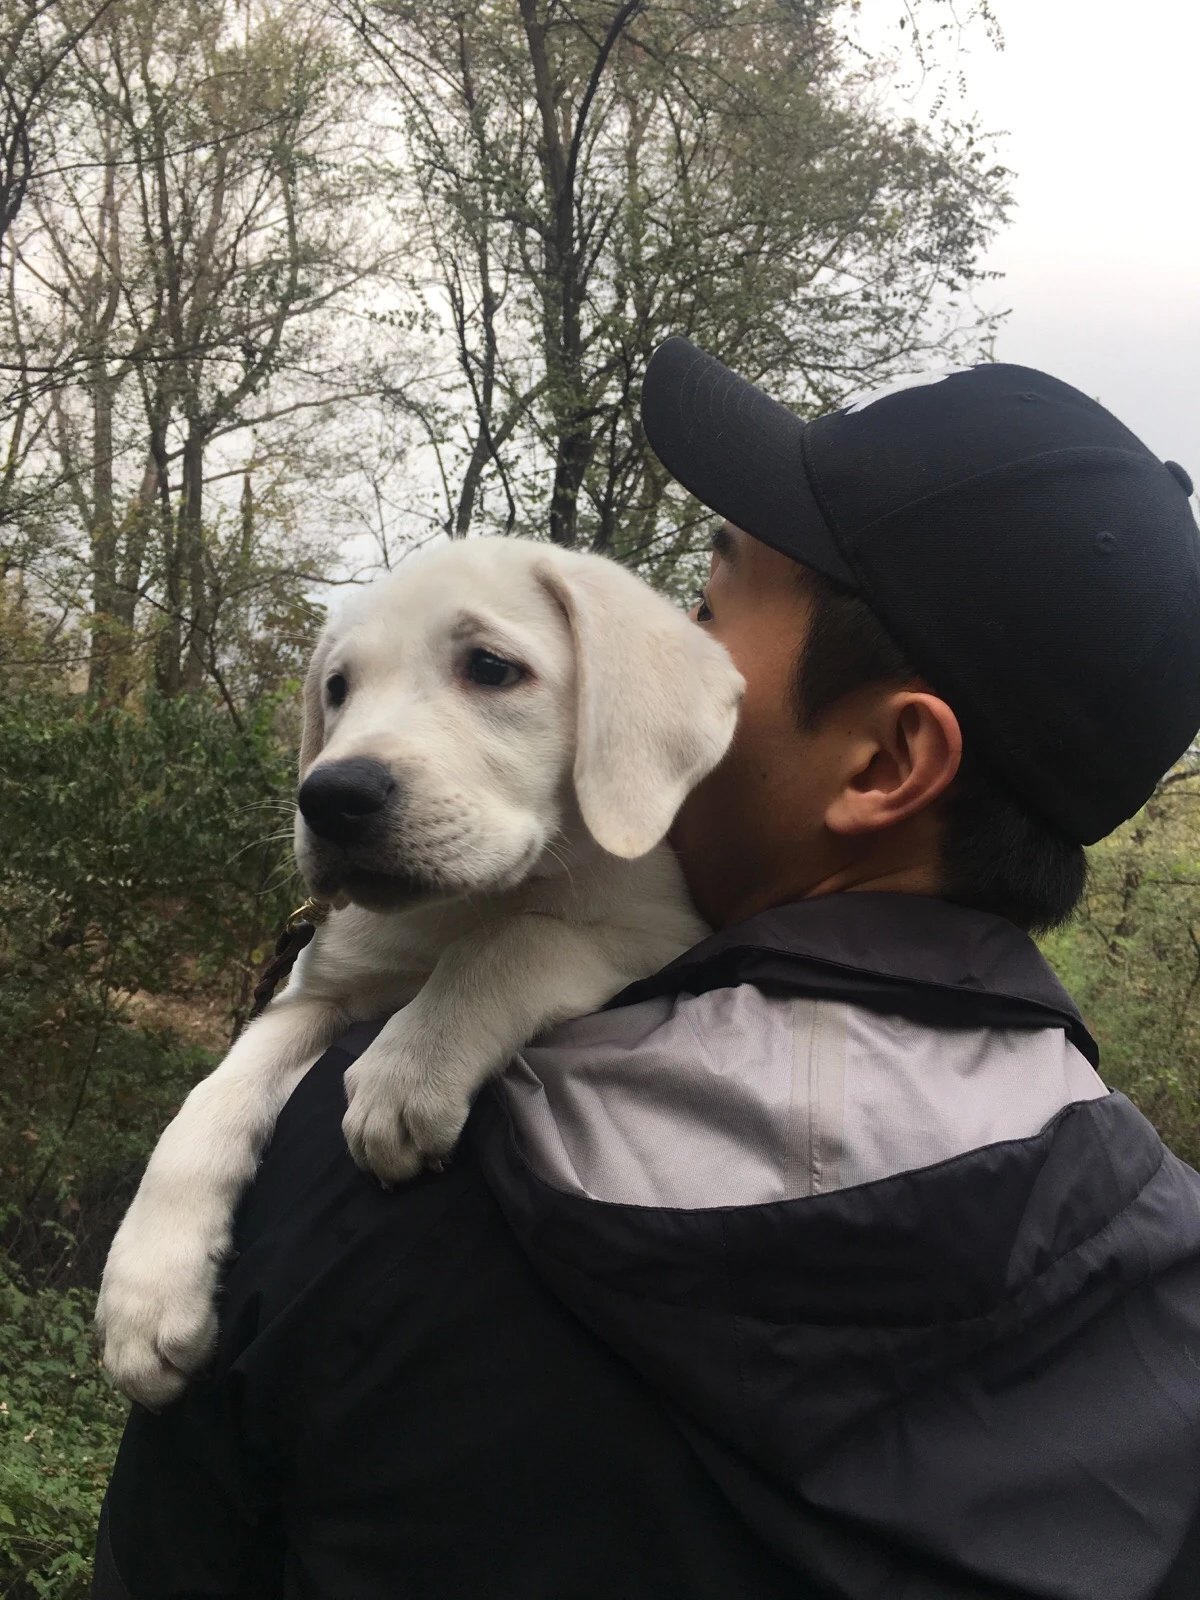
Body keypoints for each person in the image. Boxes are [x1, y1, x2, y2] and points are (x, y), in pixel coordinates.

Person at [92, 340, 1200, 1600]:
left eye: (710, 612)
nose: (661, 658)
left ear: (888, 765)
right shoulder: (1164, 1269)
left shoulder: (375, 1182)